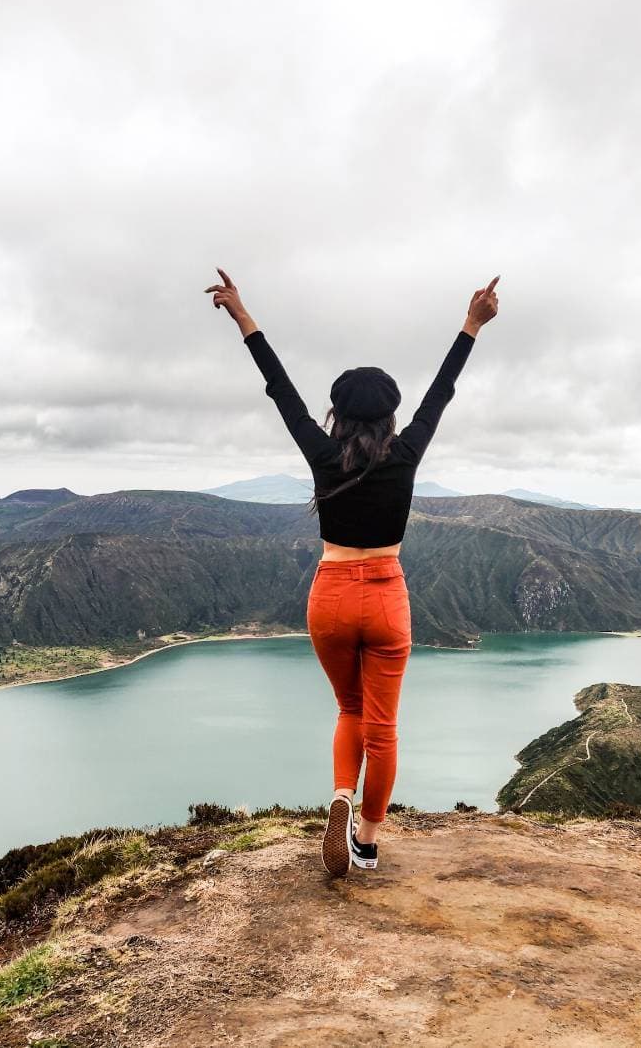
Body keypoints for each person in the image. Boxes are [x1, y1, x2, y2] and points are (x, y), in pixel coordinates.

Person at [205, 267, 499, 876]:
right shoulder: (407, 453)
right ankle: (366, 840)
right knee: (382, 727)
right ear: (391, 417)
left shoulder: (321, 453)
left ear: (336, 413)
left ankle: (341, 792)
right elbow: (440, 393)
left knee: (348, 709)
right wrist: (472, 323)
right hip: (386, 596)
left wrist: (243, 316)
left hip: (331, 597)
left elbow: (280, 388)